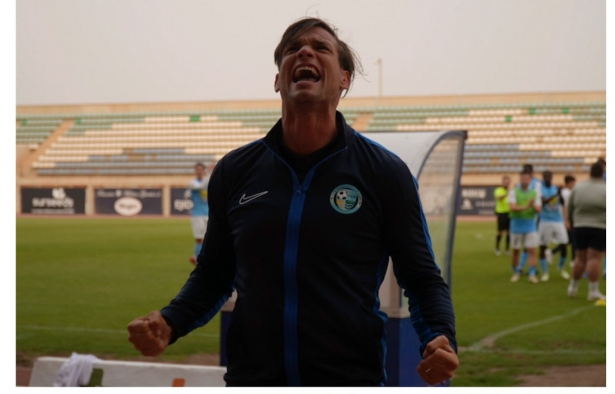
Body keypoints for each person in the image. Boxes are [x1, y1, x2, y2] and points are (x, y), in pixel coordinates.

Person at [127, 17, 458, 387]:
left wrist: (439, 336)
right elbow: (214, 275)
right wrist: (170, 321)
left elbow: (422, 277)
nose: (304, 51)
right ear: (277, 80)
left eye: (321, 48)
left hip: (349, 379)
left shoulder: (384, 173)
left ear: (345, 78)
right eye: (292, 49)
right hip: (252, 379)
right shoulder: (235, 171)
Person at [566, 163, 606, 300]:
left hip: (580, 226)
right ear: (602, 172)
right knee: (594, 259)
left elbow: (570, 206)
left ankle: (573, 287)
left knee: (580, 258)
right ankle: (593, 291)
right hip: (599, 227)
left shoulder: (579, 187)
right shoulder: (606, 189)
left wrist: (571, 222)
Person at [509, 170, 542, 283]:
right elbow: (512, 207)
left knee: (532, 250)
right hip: (516, 225)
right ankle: (516, 272)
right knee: (516, 251)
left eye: (527, 178)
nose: (524, 180)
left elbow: (538, 209)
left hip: (530, 225)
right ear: (520, 179)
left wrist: (533, 207)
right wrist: (527, 206)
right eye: (523, 178)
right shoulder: (513, 192)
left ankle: (532, 274)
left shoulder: (534, 193)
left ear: (530, 180)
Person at [537, 171, 570, 281]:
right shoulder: (540, 189)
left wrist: (560, 194)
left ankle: (561, 268)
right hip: (545, 221)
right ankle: (545, 272)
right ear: (543, 178)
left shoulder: (556, 188)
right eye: (545, 177)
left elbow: (562, 202)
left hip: (558, 220)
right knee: (543, 246)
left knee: (564, 244)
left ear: (552, 177)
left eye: (549, 177)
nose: (547, 178)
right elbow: (543, 202)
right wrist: (556, 194)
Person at [188, 162, 209, 265]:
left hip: (209, 214)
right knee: (199, 238)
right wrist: (210, 174)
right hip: (198, 215)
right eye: (198, 169)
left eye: (201, 169)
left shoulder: (208, 182)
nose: (200, 171)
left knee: (210, 238)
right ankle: (197, 259)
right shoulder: (193, 183)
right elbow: (201, 186)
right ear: (196, 171)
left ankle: (206, 258)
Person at [551, 175, 576, 265]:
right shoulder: (566, 193)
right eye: (573, 182)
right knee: (572, 240)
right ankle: (573, 260)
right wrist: (567, 220)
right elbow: (565, 207)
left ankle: (552, 252)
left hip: (565, 218)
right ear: (569, 183)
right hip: (567, 218)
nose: (574, 184)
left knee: (569, 240)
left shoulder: (565, 192)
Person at [494, 175, 511, 256]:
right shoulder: (498, 190)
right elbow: (499, 198)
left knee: (509, 232)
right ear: (502, 182)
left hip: (509, 213)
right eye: (505, 182)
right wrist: (506, 193)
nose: (506, 184)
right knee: (500, 232)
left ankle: (507, 249)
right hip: (501, 213)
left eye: (508, 182)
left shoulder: (511, 191)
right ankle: (497, 248)